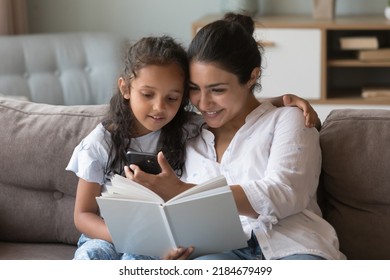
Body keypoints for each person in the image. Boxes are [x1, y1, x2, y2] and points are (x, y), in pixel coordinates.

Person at [66, 34, 321, 260]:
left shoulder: (186, 129)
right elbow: (83, 214)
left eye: (172, 98)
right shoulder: (105, 142)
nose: (159, 107)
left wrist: (276, 103)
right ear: (125, 88)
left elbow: (247, 115)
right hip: (124, 236)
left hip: (286, 246)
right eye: (195, 91)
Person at [125, 13, 346, 260]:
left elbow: (284, 192)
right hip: (218, 251)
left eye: (217, 90)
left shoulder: (288, 120)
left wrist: (184, 191)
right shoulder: (188, 132)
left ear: (252, 77)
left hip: (292, 245)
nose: (204, 103)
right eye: (194, 89)